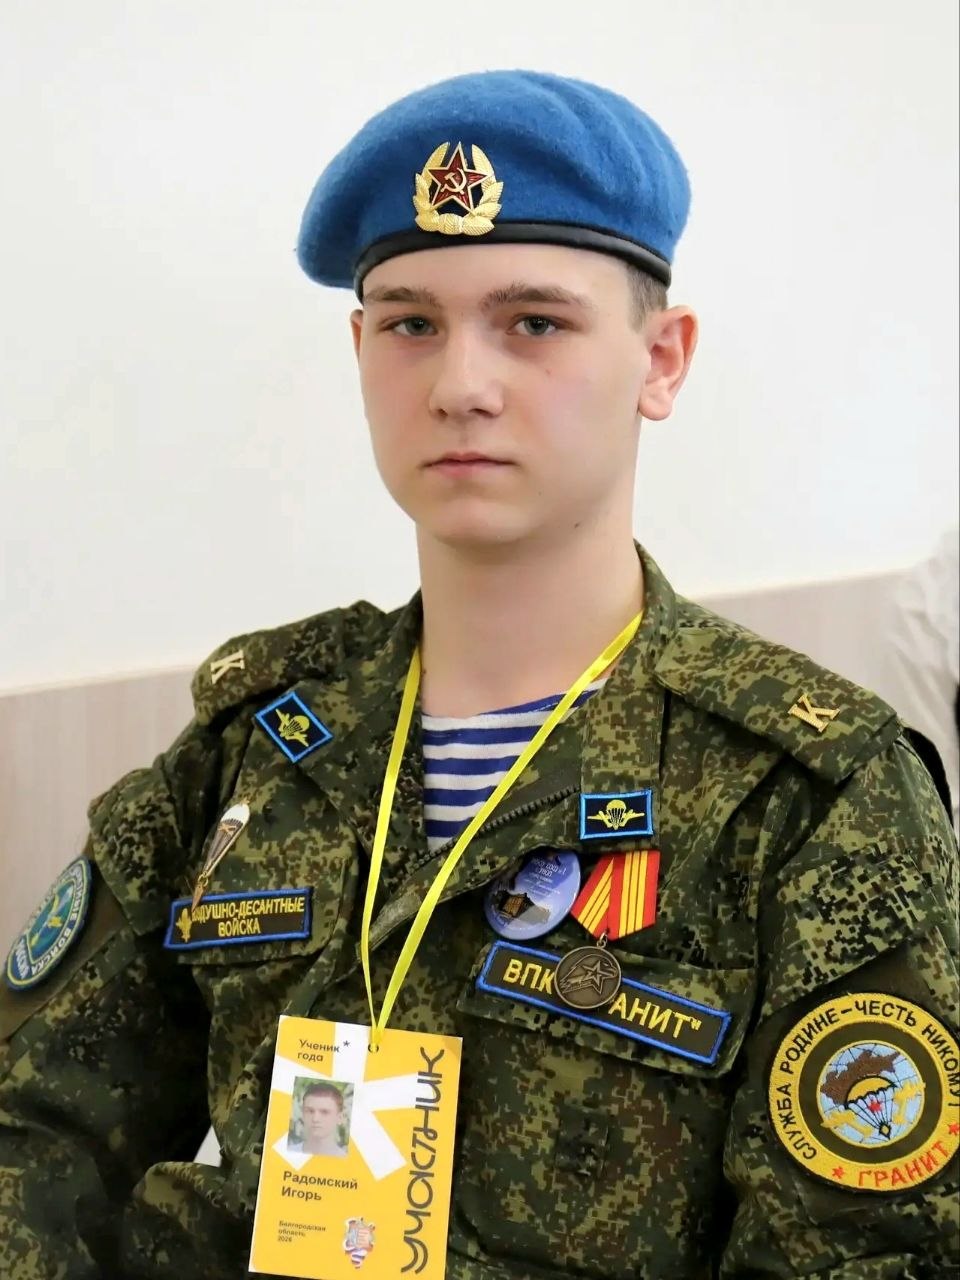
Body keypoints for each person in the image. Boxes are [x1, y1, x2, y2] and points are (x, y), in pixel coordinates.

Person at [0, 68, 957, 1280]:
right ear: (361, 350)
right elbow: (32, 1127)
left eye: (534, 323)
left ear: (661, 360)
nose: (460, 385)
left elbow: (868, 1253)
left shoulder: (806, 793)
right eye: (411, 324)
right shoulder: (259, 741)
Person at [287, 1082, 349, 1157]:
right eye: (310, 1111)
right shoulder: (285, 1155)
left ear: (339, 1118)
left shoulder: (348, 1162)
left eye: (324, 1112)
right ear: (303, 1115)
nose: (315, 1119)